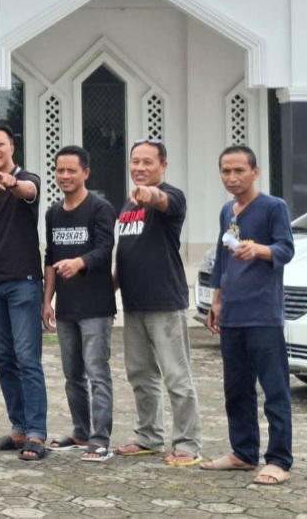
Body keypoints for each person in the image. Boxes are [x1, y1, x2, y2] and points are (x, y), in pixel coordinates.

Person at [201, 145, 294, 485]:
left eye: (239, 170)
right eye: (226, 171)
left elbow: (286, 248)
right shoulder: (228, 210)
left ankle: (279, 460)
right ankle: (243, 452)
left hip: (263, 316)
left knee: (275, 390)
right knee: (237, 390)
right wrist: (216, 300)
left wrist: (259, 249)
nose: (232, 177)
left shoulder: (273, 207)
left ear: (255, 172)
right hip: (232, 315)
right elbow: (223, 259)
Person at [113, 139, 203, 466]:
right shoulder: (128, 205)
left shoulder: (172, 195)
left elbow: (162, 200)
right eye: (135, 161)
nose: (139, 167)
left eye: (147, 162)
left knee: (176, 376)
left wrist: (149, 194)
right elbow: (126, 252)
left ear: (163, 165)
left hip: (165, 302)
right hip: (133, 302)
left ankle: (188, 444)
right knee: (140, 374)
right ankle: (149, 436)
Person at [0, 122, 48, 461]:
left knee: (27, 359)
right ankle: (18, 428)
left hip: (23, 283)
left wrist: (13, 183)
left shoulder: (27, 179)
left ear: (11, 147)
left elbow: (28, 191)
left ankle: (37, 433)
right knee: (4, 359)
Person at [41, 145, 117, 462]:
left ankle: (100, 439)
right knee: (72, 375)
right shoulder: (53, 213)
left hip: (96, 306)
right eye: (60, 170)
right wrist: (47, 301)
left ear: (85, 172)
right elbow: (50, 258)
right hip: (66, 307)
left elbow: (105, 248)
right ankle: (80, 432)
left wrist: (80, 262)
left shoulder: (100, 208)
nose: (65, 175)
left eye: (72, 170)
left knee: (97, 373)